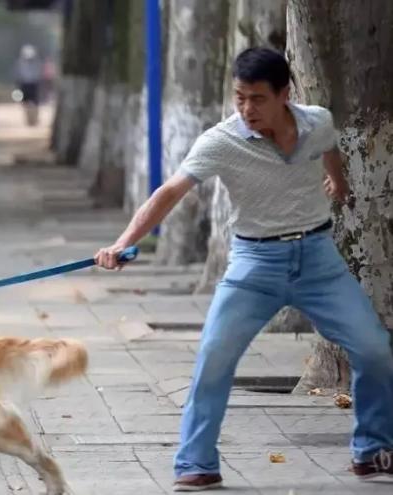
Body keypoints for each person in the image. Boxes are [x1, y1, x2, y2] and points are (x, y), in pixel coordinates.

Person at [94, 47, 393, 491]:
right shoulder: (220, 142)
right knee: (214, 356)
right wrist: (122, 243)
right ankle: (195, 463)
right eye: (239, 98)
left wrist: (339, 180)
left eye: (257, 99)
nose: (247, 109)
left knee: (374, 349)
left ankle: (371, 450)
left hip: (319, 261)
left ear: (285, 95)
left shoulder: (317, 122)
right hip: (255, 264)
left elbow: (330, 148)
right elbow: (169, 192)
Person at [14, 44, 43, 126]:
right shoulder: (20, 63)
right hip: (25, 84)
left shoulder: (37, 63)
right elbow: (18, 74)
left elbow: (39, 74)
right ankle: (29, 118)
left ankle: (34, 118)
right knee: (25, 103)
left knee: (35, 103)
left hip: (33, 84)